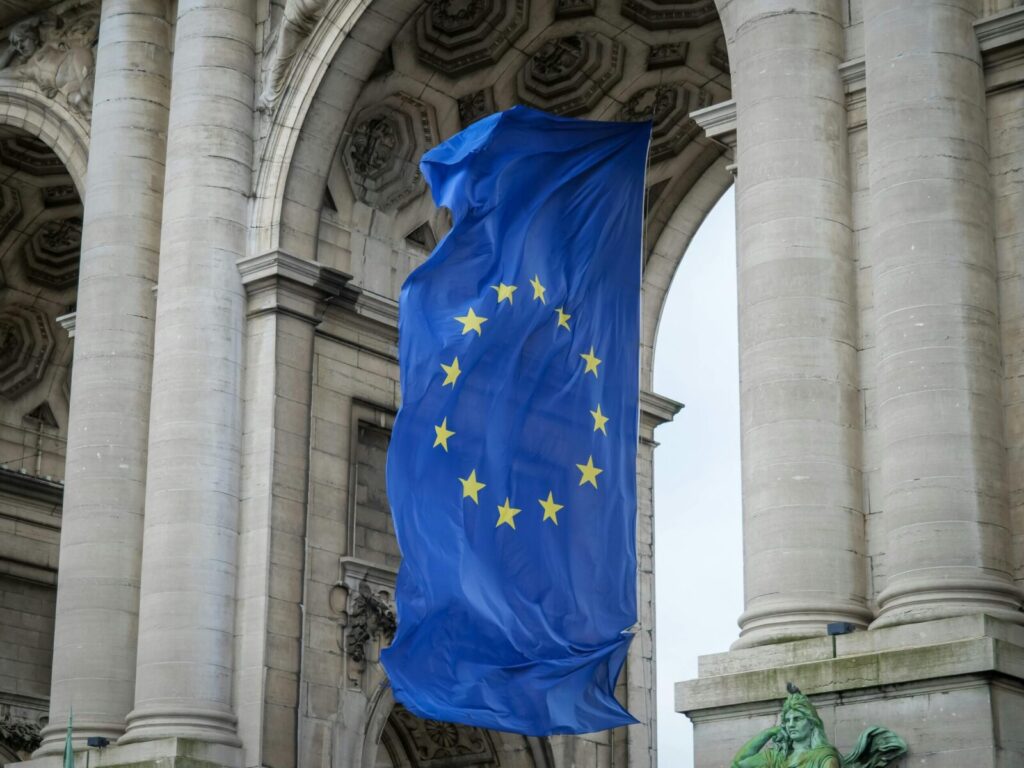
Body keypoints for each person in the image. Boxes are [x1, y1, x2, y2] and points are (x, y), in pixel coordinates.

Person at [731, 685, 841, 768]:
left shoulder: (824, 757)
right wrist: (769, 732)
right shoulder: (775, 757)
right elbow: (737, 764)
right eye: (788, 720)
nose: (791, 724)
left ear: (812, 723)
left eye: (797, 719)